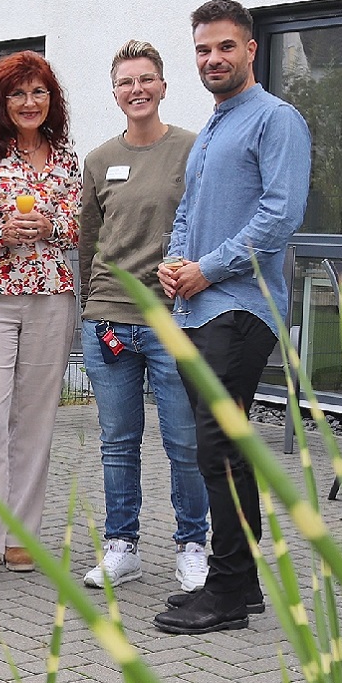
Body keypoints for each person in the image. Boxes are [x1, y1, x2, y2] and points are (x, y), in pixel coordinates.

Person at [153, 0, 311, 634]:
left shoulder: (277, 120)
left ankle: (227, 588)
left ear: (250, 49)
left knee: (220, 444)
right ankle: (237, 586)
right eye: (201, 50)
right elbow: (190, 211)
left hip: (241, 308)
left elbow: (279, 216)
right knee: (214, 447)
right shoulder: (215, 125)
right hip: (197, 307)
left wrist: (208, 268)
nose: (212, 59)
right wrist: (173, 260)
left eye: (224, 47)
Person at [78, 40, 209, 592]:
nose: (137, 90)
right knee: (117, 440)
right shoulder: (100, 159)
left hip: (172, 319)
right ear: (114, 93)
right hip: (108, 318)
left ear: (162, 85)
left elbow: (207, 223)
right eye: (126, 82)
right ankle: (121, 546)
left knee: (184, 440)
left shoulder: (192, 150)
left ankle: (193, 545)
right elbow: (88, 241)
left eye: (146, 79)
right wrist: (92, 303)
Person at [0, 51, 81, 587]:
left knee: (36, 419)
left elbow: (79, 225)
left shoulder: (67, 156)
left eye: (39, 93)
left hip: (52, 293)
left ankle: (19, 536)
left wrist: (50, 222)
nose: (29, 103)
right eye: (18, 94)